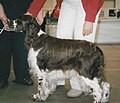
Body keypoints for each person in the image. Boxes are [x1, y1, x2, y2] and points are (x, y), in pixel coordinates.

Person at [19, 0, 104, 97]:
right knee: (60, 43)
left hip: (88, 3)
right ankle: (54, 79)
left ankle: (77, 86)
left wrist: (90, 19)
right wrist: (32, 12)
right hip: (67, 2)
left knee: (81, 43)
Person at [0, 0, 44, 89]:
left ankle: (23, 76)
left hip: (24, 20)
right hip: (3, 16)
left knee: (22, 49)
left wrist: (39, 12)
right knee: (3, 50)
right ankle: (1, 78)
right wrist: (2, 17)